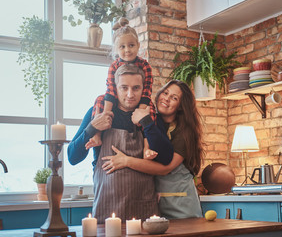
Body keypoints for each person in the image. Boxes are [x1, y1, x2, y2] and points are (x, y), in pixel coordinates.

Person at [67, 64, 172, 223]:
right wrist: (92, 128)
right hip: (107, 208)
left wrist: (146, 123)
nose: (130, 94)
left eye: (136, 88)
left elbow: (166, 158)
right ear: (115, 88)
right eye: (124, 88)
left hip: (144, 207)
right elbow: (72, 157)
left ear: (143, 89)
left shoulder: (149, 116)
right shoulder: (98, 112)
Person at [101, 80, 204, 219]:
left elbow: (165, 168)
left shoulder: (185, 132)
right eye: (166, 93)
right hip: (157, 203)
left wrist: (126, 161)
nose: (166, 98)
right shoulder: (154, 123)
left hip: (182, 204)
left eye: (174, 98)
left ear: (181, 106)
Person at [86, 17, 155, 150]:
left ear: (138, 45)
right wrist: (106, 115)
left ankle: (147, 146)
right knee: (100, 100)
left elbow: (146, 91)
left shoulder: (145, 65)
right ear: (116, 49)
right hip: (115, 102)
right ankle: (97, 135)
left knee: (150, 109)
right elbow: (111, 90)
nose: (127, 50)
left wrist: (140, 113)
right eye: (122, 47)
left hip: (140, 103)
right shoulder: (114, 66)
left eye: (131, 45)